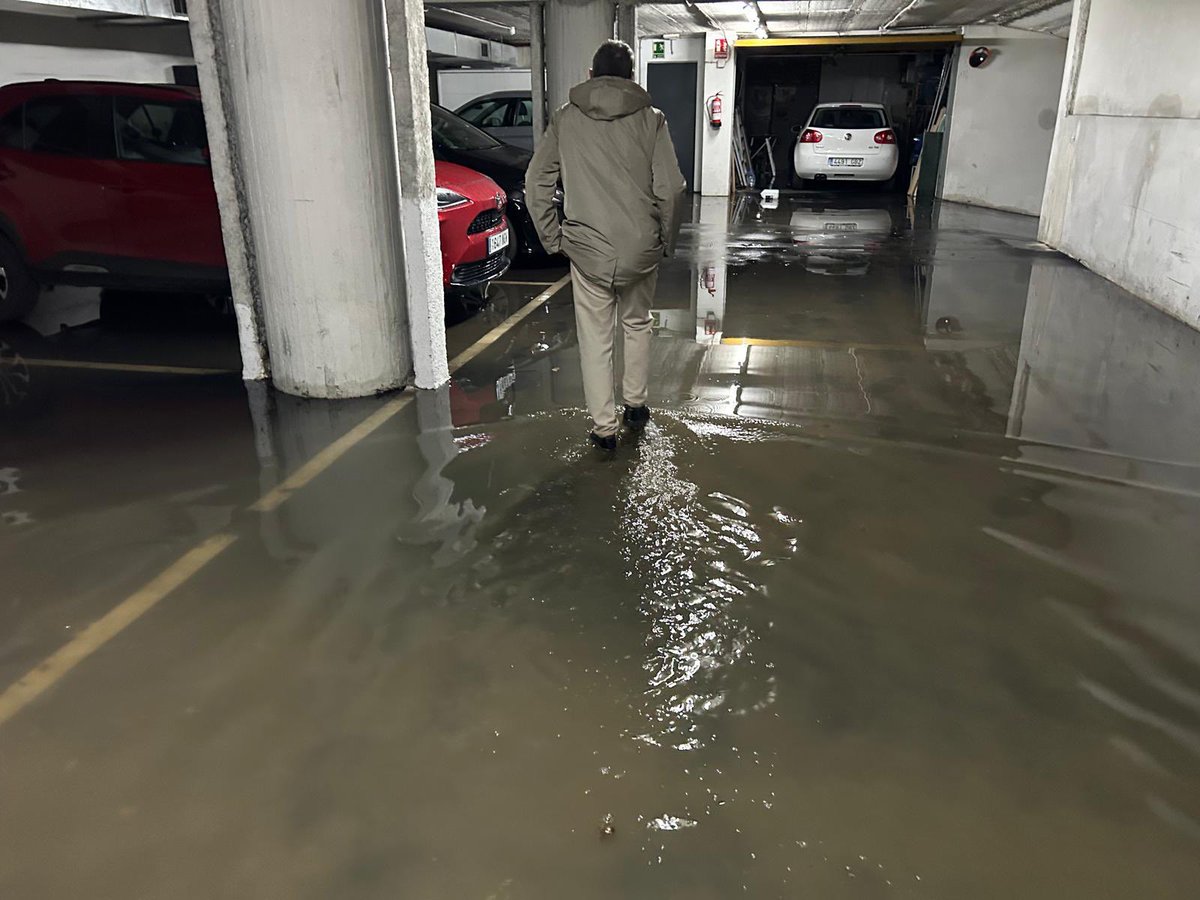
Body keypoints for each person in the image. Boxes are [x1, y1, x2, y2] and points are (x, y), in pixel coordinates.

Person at [526, 40, 687, 452]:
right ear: (632, 78)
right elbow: (670, 188)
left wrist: (553, 238)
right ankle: (635, 406)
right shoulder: (652, 119)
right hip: (639, 248)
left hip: (588, 250)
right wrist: (665, 241)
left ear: (591, 75)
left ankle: (604, 429)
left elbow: (536, 183)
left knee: (596, 339)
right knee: (637, 324)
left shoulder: (566, 119)